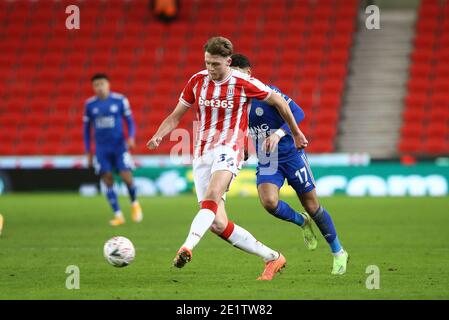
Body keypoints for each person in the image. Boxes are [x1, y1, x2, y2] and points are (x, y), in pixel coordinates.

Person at [147, 37, 308, 280]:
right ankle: (273, 257)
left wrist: (295, 131)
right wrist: (159, 135)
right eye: (207, 63)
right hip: (201, 153)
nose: (211, 68)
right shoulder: (196, 81)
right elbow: (175, 115)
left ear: (228, 61)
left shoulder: (243, 82)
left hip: (229, 149)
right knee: (217, 223)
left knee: (212, 197)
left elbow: (279, 102)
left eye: (216, 64)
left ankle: (187, 247)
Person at [230, 53, 349, 275]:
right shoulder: (236, 103)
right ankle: (301, 222)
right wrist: (242, 144)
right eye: (233, 76)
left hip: (291, 155)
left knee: (313, 206)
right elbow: (241, 128)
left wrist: (278, 134)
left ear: (248, 73)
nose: (237, 79)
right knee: (269, 202)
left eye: (239, 74)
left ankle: (338, 252)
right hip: (268, 160)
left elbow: (298, 111)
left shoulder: (267, 92)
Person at [84, 73, 143, 226]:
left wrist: (130, 137)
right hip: (101, 149)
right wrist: (88, 151)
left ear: (108, 85)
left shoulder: (119, 100)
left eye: (102, 84)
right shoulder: (90, 105)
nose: (100, 87)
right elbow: (86, 130)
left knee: (126, 177)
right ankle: (118, 215)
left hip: (119, 147)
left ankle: (134, 204)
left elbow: (130, 121)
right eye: (96, 85)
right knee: (107, 180)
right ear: (93, 87)